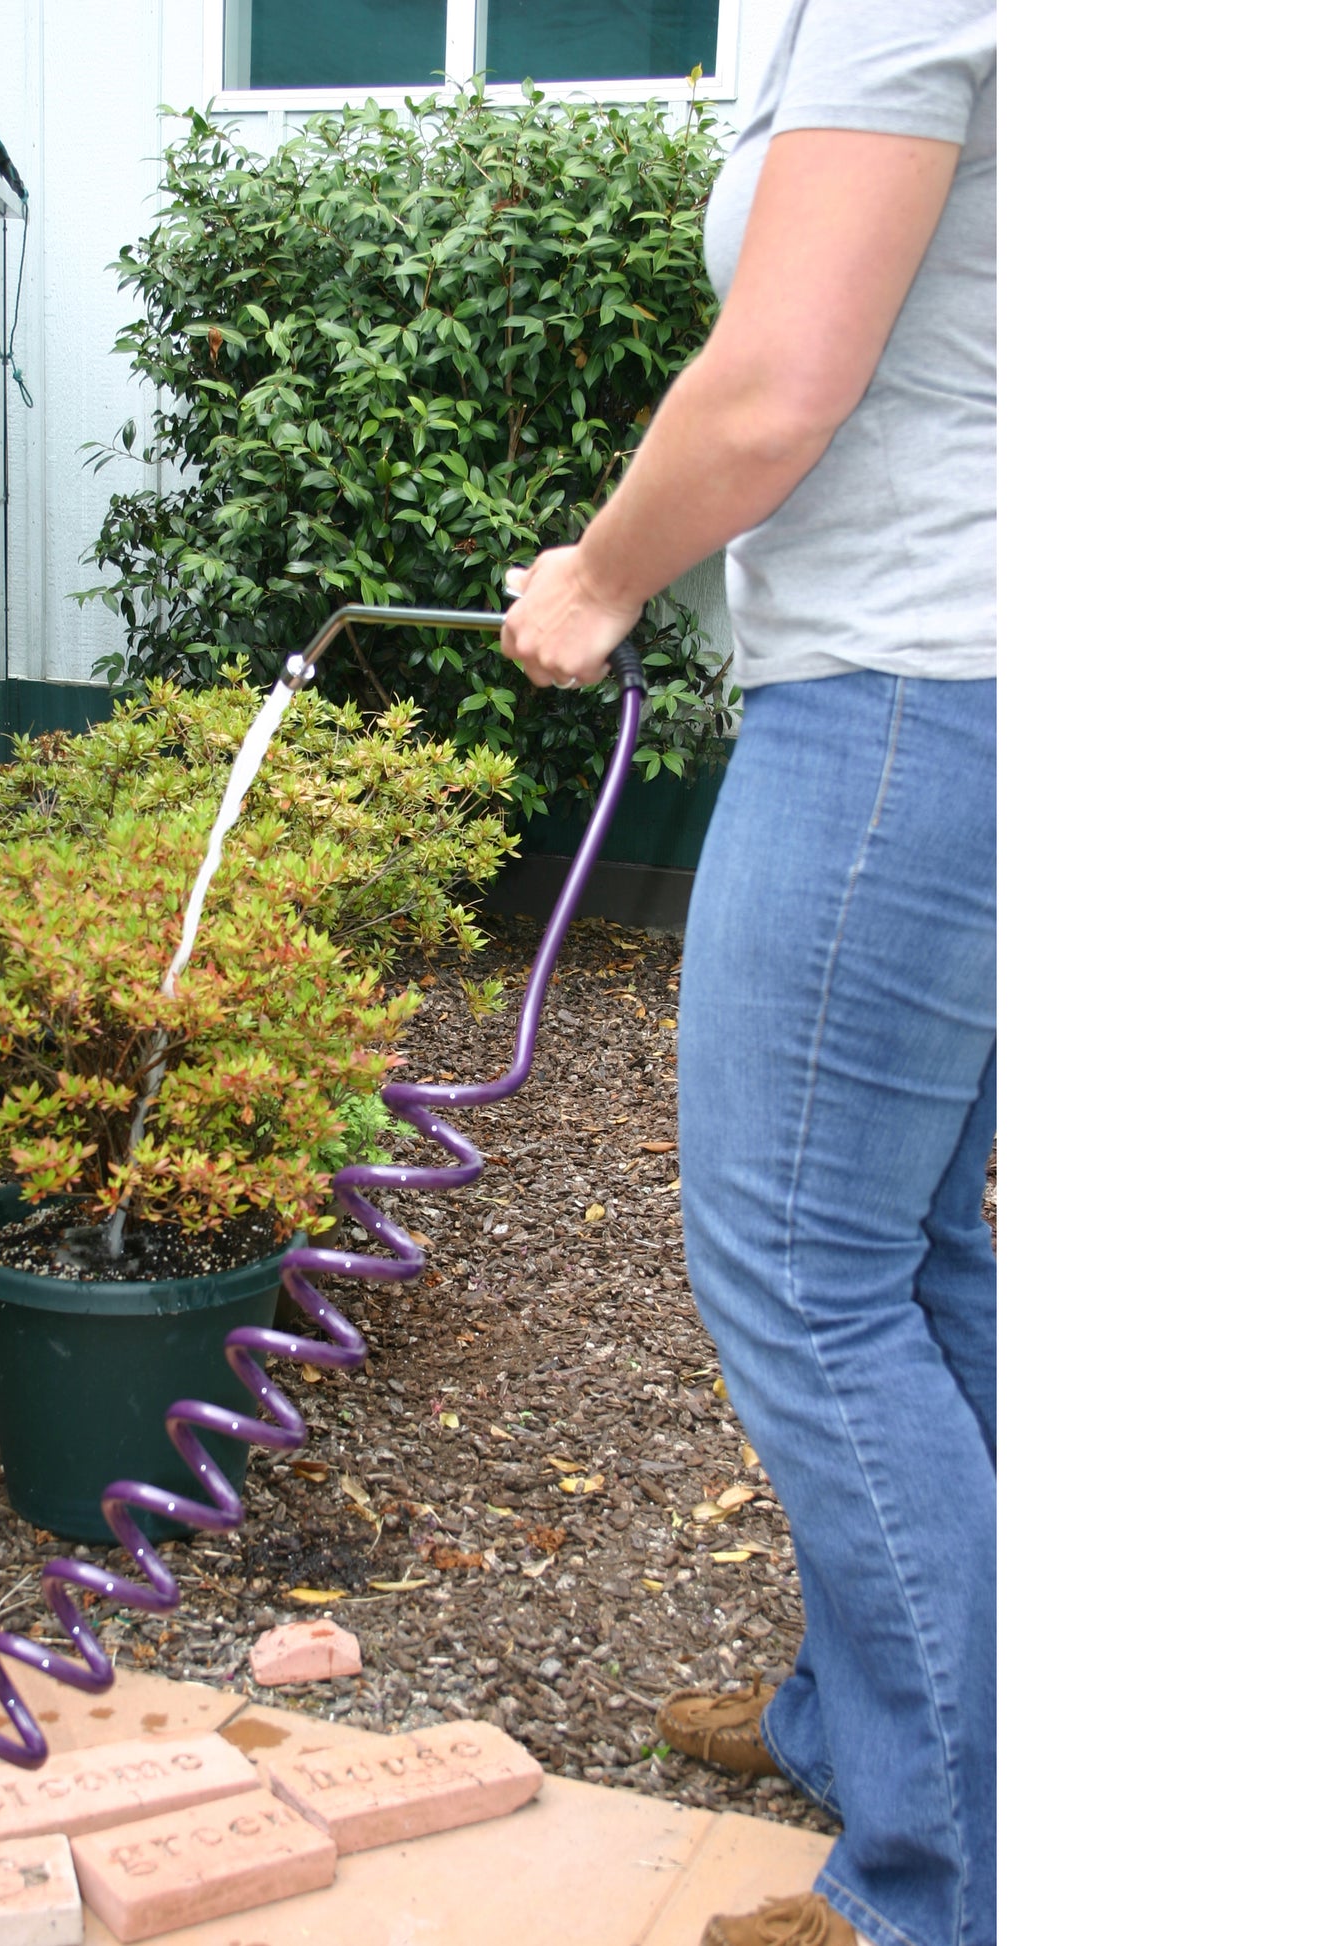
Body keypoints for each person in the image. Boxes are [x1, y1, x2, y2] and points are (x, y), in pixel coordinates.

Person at [499, 5, 996, 1944]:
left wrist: (607, 574)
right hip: (976, 679)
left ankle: (932, 1882)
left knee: (800, 1273)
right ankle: (878, 1727)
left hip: (905, 690)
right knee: (916, 1258)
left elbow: (774, 386)